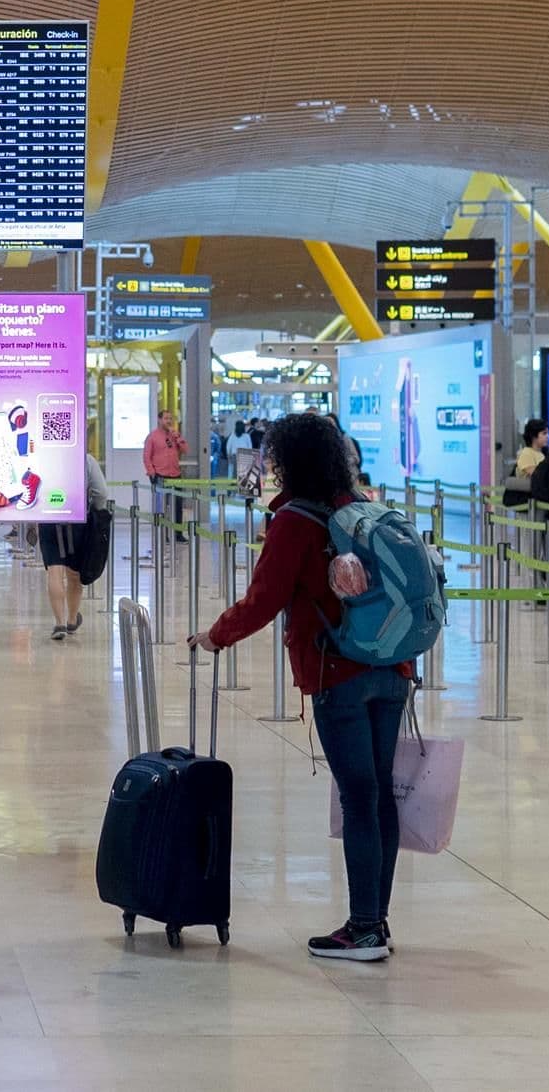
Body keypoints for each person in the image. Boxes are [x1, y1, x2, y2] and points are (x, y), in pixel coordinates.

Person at [186, 412, 414, 961]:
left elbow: (265, 598)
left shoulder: (294, 520)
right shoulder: (356, 507)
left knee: (359, 797)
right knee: (378, 793)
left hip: (338, 670)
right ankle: (375, 921)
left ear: (287, 460)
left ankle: (364, 929)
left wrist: (216, 636)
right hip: (393, 666)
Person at [37, 448, 107, 641]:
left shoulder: (43, 457)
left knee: (54, 571)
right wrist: (94, 509)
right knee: (74, 574)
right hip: (77, 521)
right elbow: (102, 492)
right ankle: (71, 619)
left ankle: (58, 623)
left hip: (48, 518)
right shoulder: (86, 460)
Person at [142, 409, 188, 540]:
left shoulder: (174, 436)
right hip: (160, 476)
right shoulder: (152, 437)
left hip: (175, 475)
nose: (168, 421)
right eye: (166, 418)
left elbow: (185, 450)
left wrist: (178, 438)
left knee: (177, 506)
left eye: (170, 418)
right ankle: (161, 534)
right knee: (160, 507)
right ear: (159, 420)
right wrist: (152, 474)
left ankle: (177, 534)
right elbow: (146, 457)